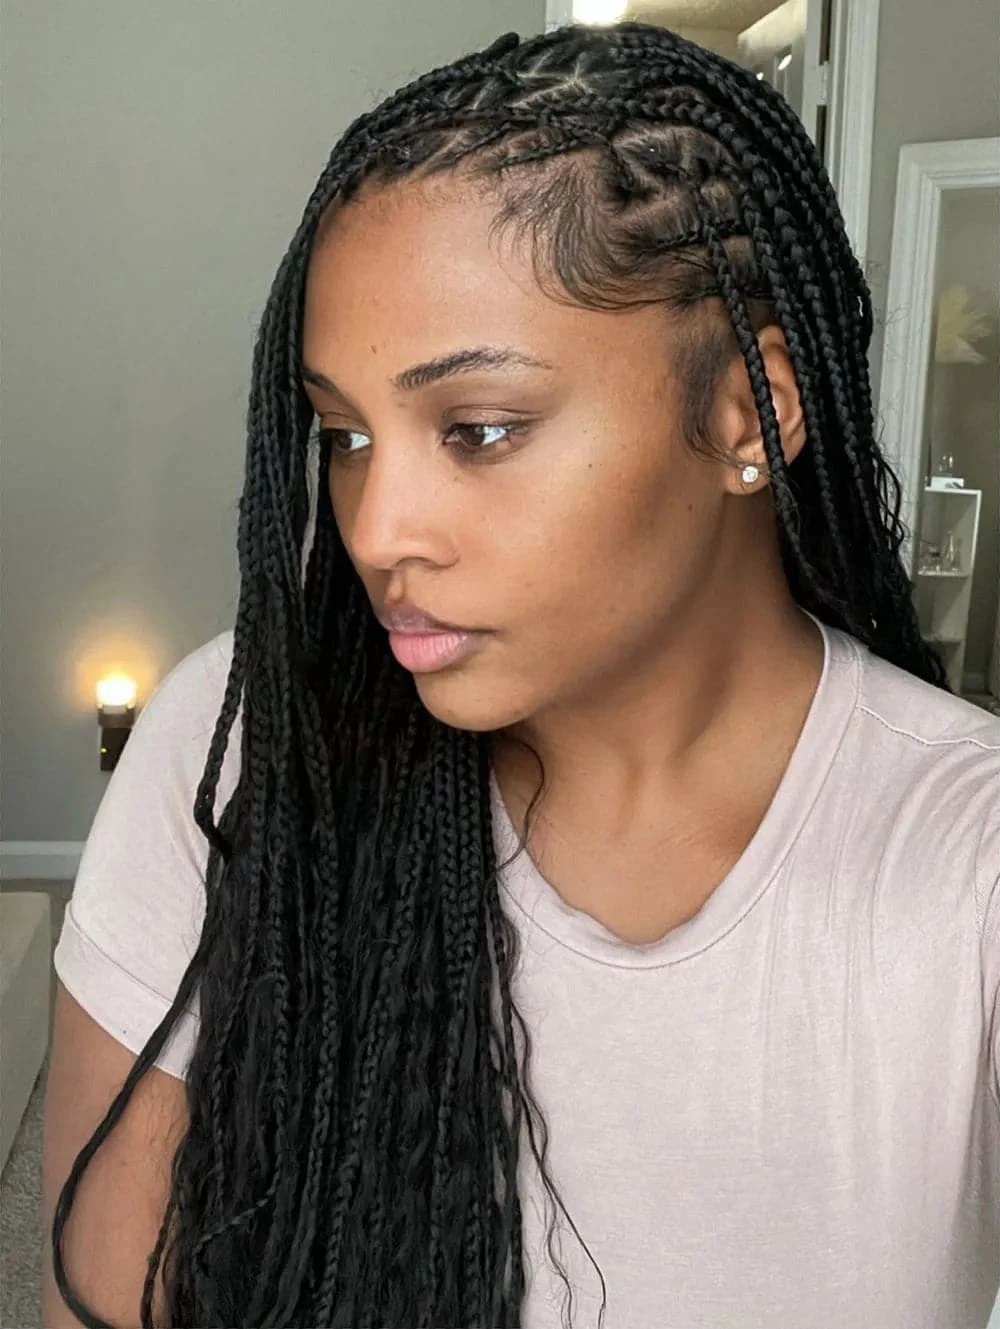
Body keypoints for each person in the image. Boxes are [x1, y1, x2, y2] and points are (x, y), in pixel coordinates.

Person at [42, 20, 999, 1329]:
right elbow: (104, 1303)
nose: (378, 531)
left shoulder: (966, 863)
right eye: (345, 436)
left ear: (751, 411)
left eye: (479, 430)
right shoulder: (245, 745)